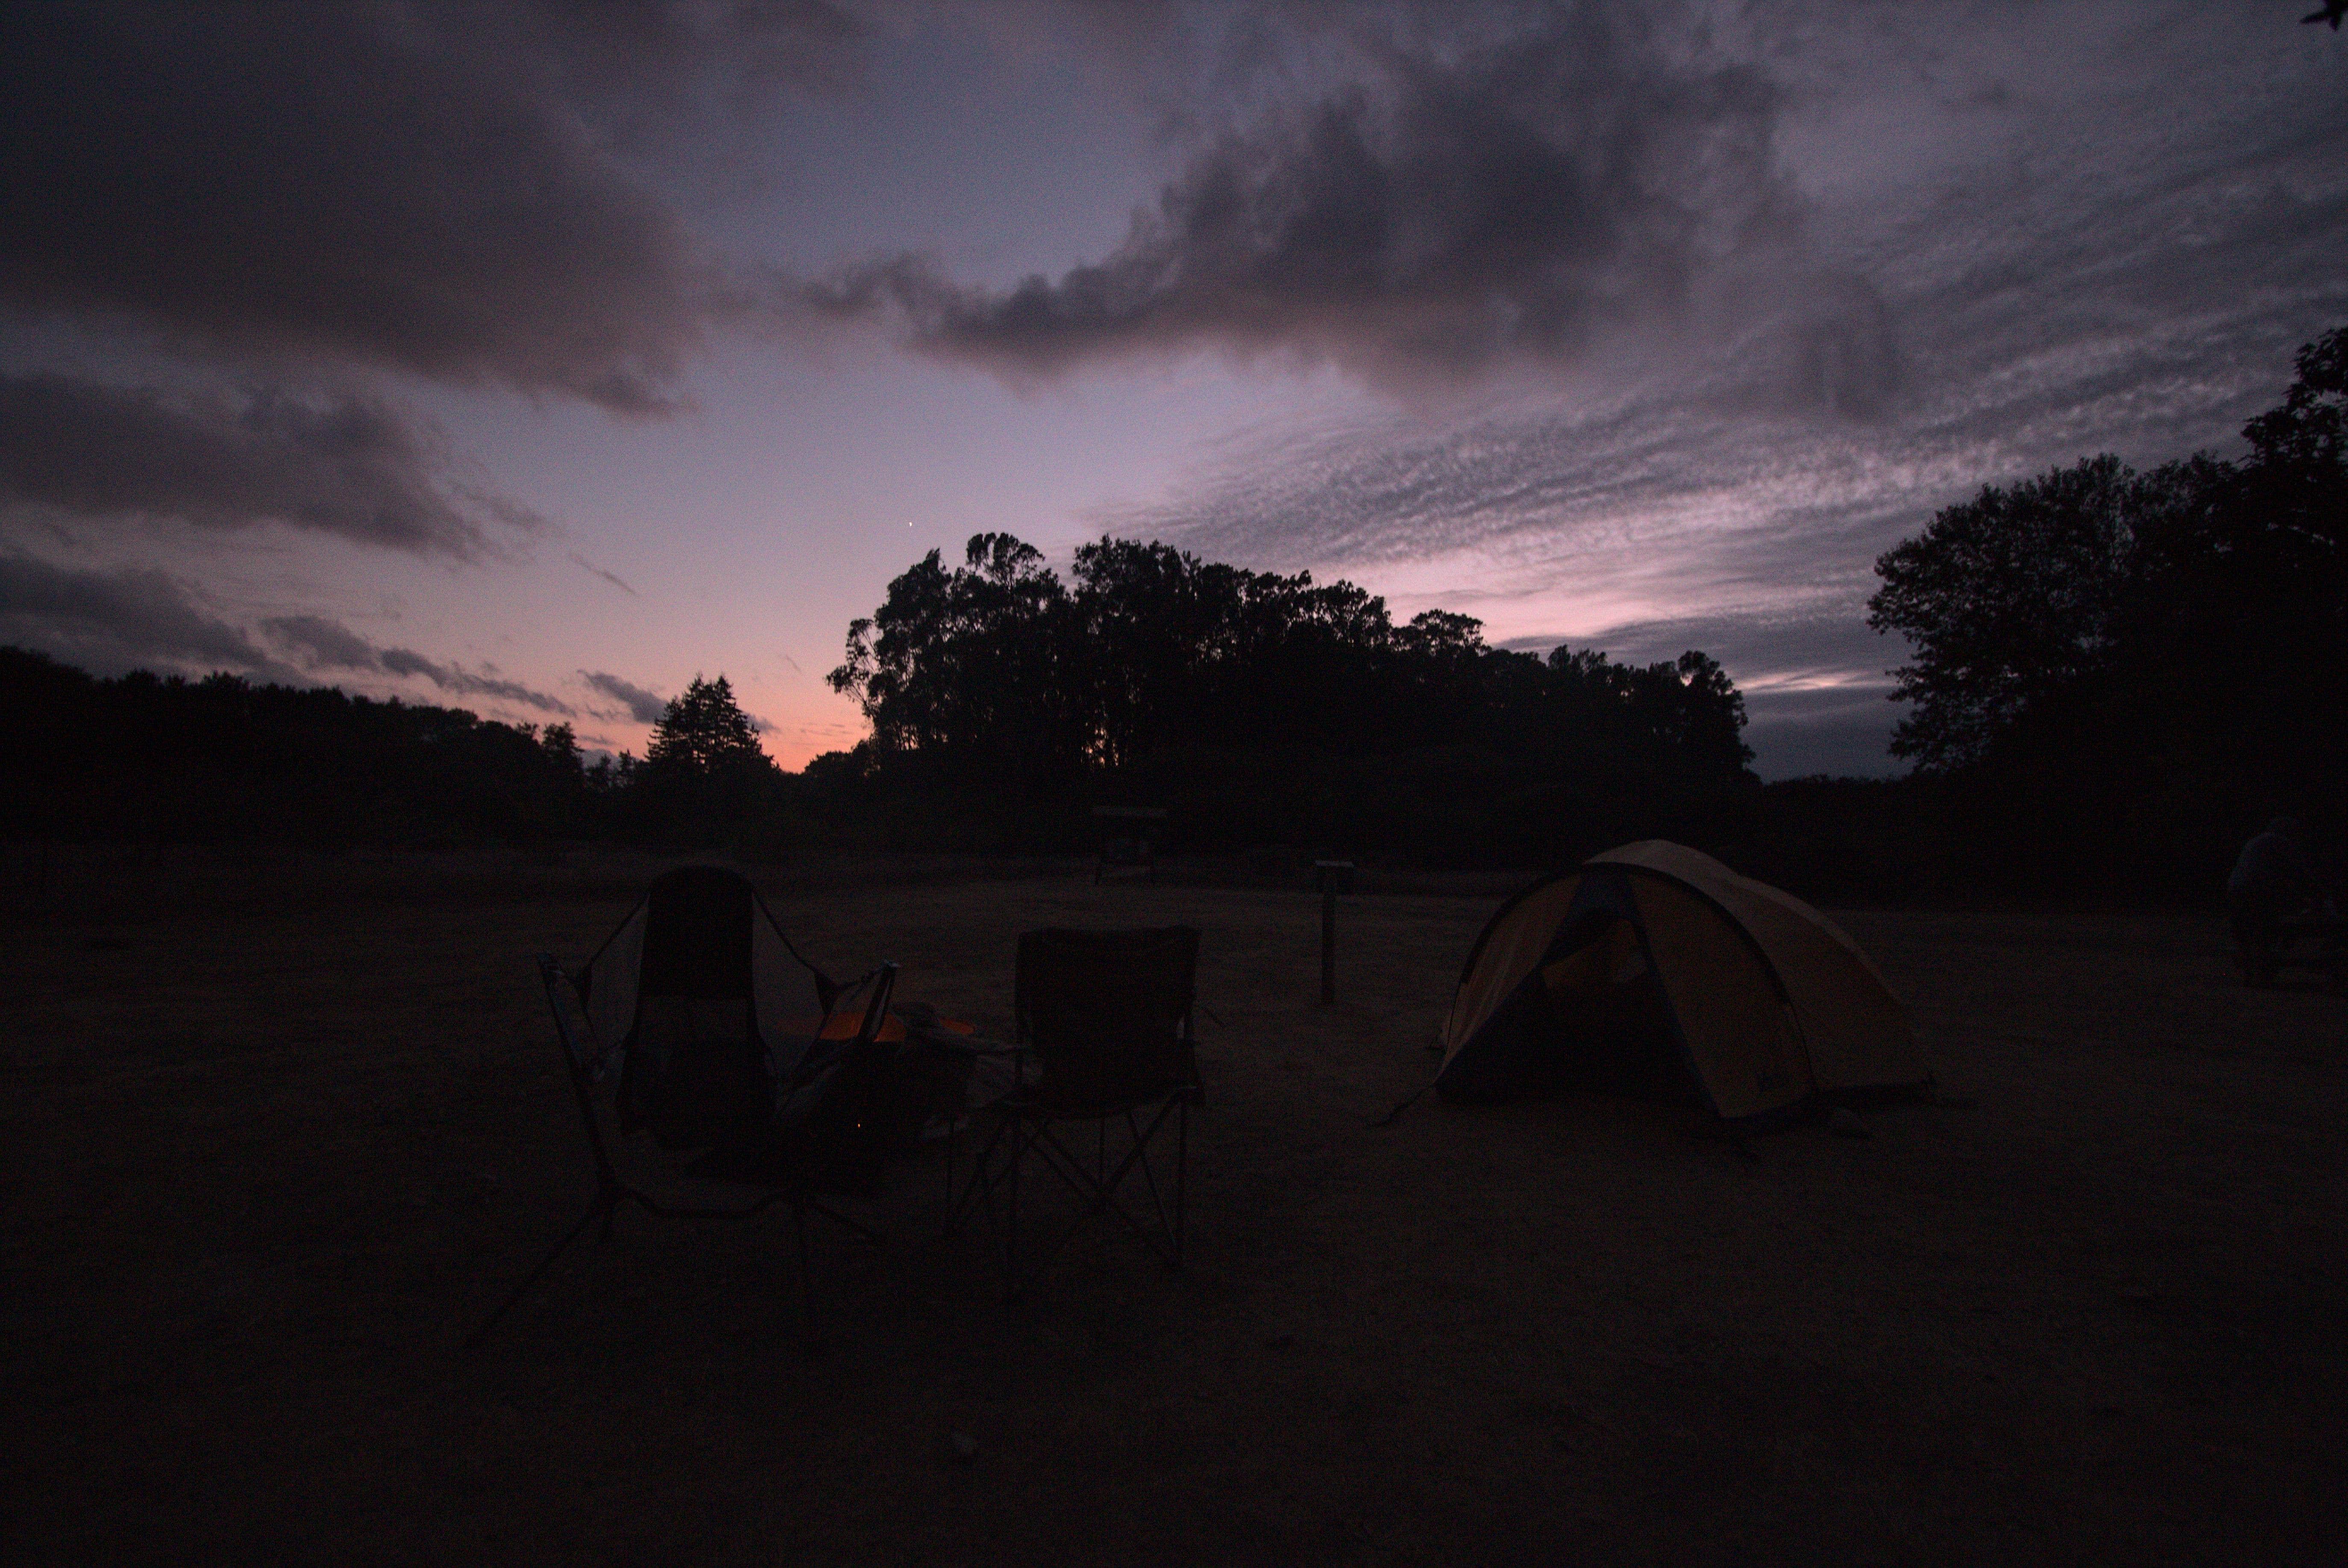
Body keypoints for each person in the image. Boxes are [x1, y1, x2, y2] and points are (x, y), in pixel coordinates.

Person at [2225, 817, 2335, 986]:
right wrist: (2320, 894)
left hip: (2236, 888)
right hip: (2257, 890)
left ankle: (2249, 974)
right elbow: (2299, 872)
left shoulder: (2256, 842)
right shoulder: (2280, 842)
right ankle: (2262, 972)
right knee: (2263, 931)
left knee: (2245, 932)